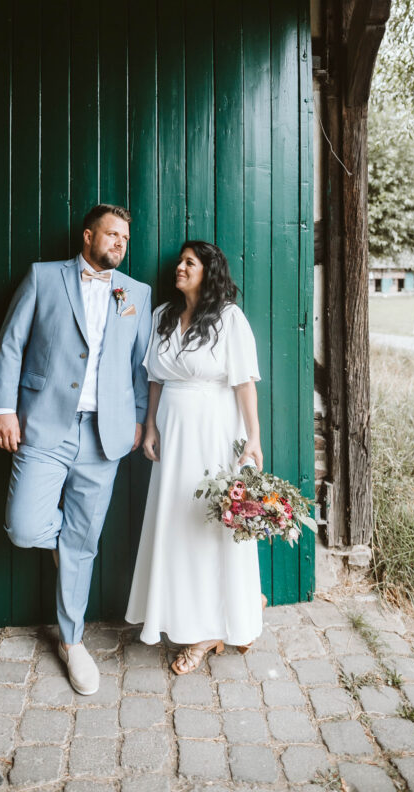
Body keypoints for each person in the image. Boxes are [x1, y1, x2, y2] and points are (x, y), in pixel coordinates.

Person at [0, 204, 152, 695]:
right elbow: (10, 344)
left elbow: (140, 367)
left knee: (84, 542)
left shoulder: (135, 293)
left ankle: (72, 640)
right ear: (87, 235)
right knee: (24, 527)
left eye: (125, 237)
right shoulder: (43, 277)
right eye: (111, 234)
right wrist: (2, 407)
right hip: (43, 425)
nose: (120, 243)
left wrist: (141, 422)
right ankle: (73, 549)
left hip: (107, 436)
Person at [126, 240, 265, 673]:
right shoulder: (162, 316)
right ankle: (193, 611)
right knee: (175, 521)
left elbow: (244, 384)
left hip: (214, 431)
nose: (180, 268)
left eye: (190, 263)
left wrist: (253, 439)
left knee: (210, 521)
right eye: (180, 262)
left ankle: (209, 632)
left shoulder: (228, 318)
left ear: (209, 271)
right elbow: (154, 378)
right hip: (174, 432)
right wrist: (150, 426)